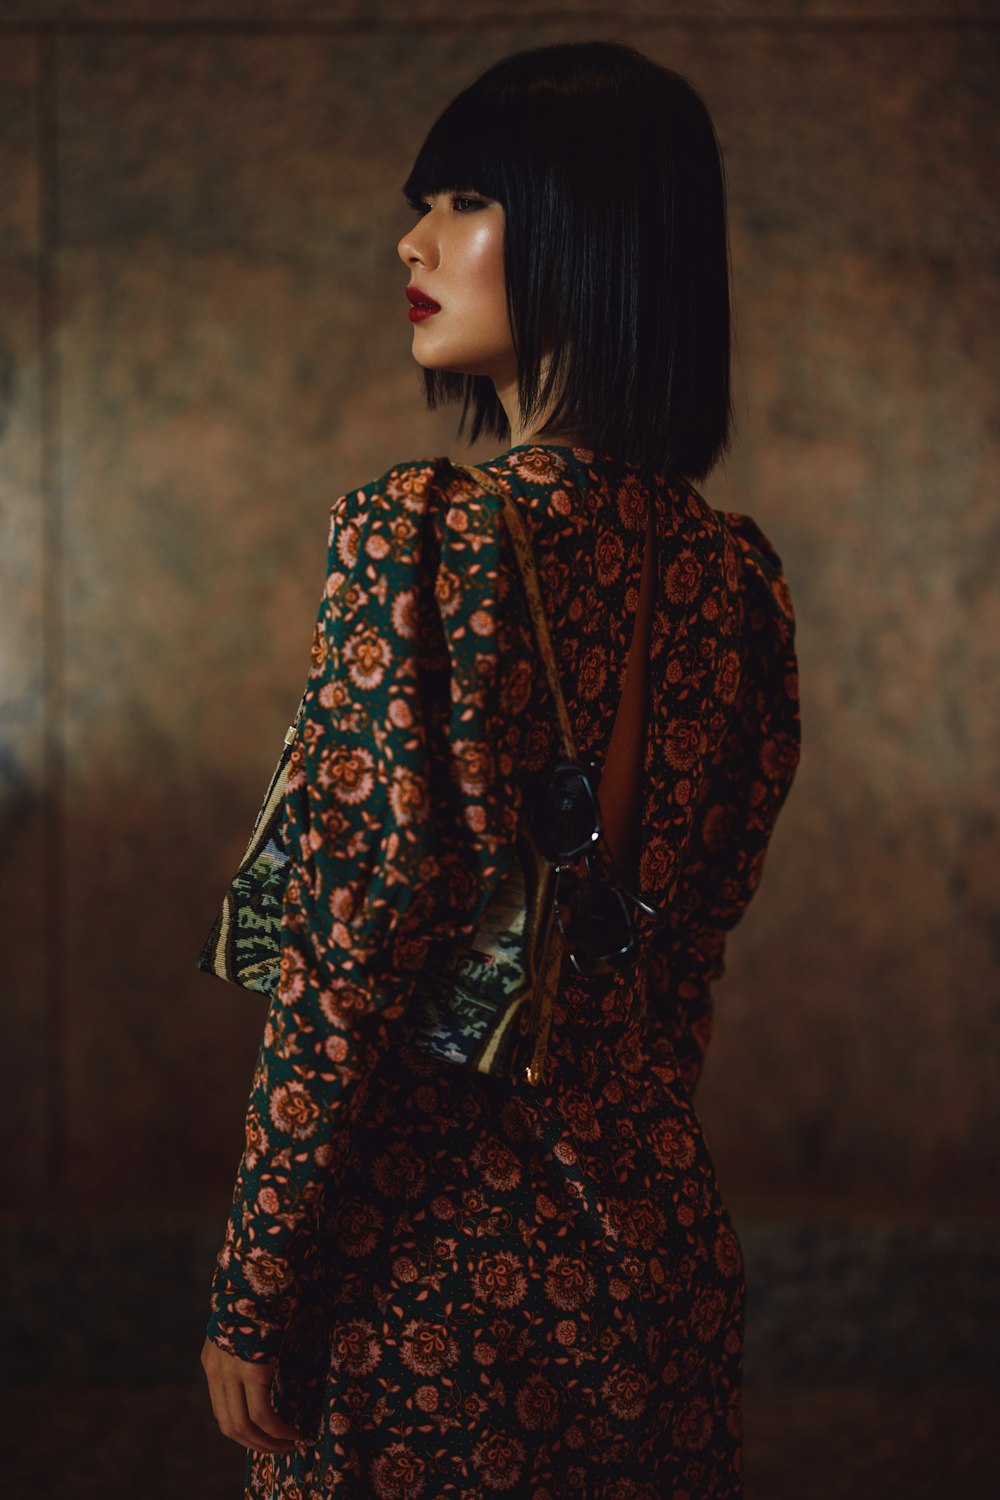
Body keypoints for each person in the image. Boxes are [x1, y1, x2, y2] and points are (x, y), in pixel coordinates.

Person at [200, 38, 800, 1500]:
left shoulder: (422, 536)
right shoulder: (736, 582)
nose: (411, 240)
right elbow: (683, 970)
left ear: (593, 234)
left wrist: (254, 1279)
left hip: (426, 1282)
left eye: (469, 199)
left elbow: (357, 942)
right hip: (655, 1269)